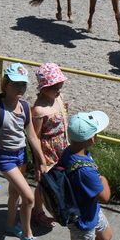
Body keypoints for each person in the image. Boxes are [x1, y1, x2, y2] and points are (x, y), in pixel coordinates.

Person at [0, 63, 46, 240]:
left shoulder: (25, 106)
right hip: (5, 158)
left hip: (21, 154)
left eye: (23, 85)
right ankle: (27, 235)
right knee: (29, 197)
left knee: (15, 194)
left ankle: (10, 224)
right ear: (5, 84)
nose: (20, 89)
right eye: (16, 84)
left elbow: (32, 136)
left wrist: (40, 159)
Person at [58, 111, 116, 240]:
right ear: (91, 139)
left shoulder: (70, 152)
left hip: (90, 210)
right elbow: (105, 196)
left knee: (105, 235)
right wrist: (103, 179)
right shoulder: (85, 171)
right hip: (82, 218)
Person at [31, 62, 69, 227]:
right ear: (43, 88)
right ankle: (37, 211)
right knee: (44, 183)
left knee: (61, 178)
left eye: (60, 86)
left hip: (62, 145)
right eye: (55, 87)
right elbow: (35, 136)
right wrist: (40, 162)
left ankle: (59, 205)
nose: (59, 90)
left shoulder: (58, 98)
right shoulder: (39, 110)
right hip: (47, 151)